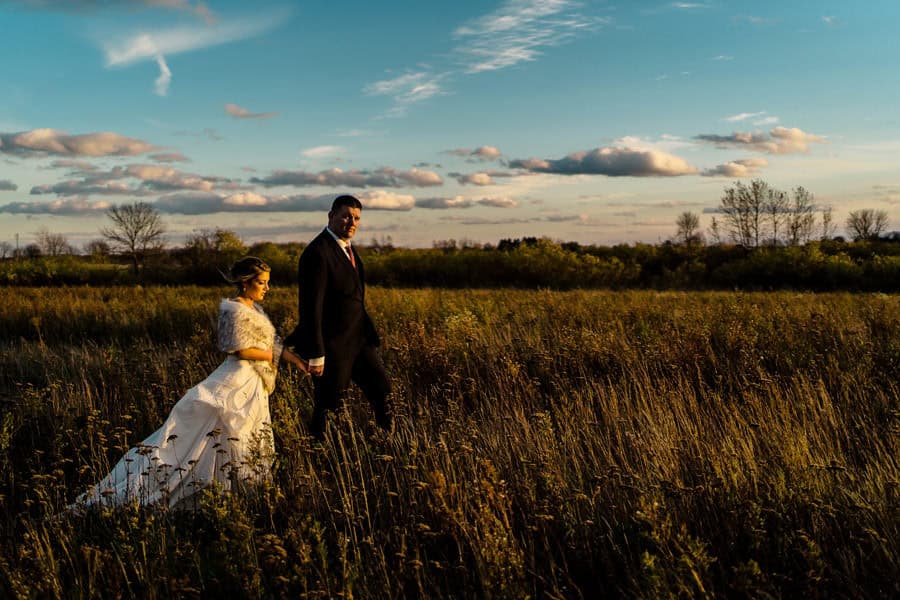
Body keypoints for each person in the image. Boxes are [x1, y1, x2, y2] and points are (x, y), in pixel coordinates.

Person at [72, 257, 308, 510]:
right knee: (218, 435)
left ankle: (234, 495)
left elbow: (268, 345)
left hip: (254, 382)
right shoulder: (234, 309)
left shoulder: (254, 309)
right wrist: (274, 356)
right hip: (236, 379)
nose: (266, 288)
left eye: (267, 283)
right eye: (261, 282)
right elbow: (239, 350)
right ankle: (191, 491)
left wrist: (294, 359)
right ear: (244, 283)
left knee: (244, 435)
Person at [284, 194, 391, 439]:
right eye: (345, 216)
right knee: (329, 406)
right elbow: (311, 307)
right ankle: (318, 455)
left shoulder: (348, 249)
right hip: (332, 347)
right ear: (331, 216)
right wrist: (317, 353)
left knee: (384, 392)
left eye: (356, 218)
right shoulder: (318, 252)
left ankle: (388, 445)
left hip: (359, 342)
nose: (351, 222)